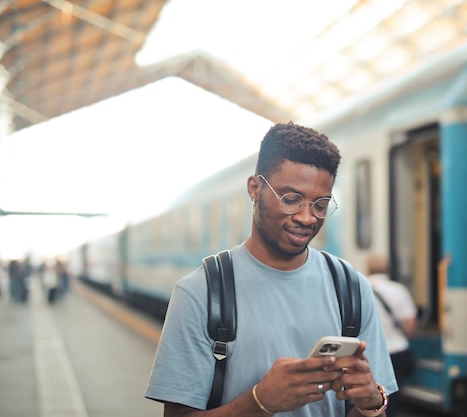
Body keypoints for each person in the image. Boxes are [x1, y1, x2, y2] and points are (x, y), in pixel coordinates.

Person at [145, 122, 397, 417]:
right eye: (291, 199)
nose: (307, 217)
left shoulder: (351, 287)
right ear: (255, 188)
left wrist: (371, 404)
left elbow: (369, 412)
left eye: (321, 204)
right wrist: (260, 402)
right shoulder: (201, 293)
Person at [365, 254, 417, 417]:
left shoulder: (361, 287)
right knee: (392, 400)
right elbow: (410, 324)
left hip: (371, 355)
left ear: (368, 268)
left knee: (373, 400)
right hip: (397, 351)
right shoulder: (398, 290)